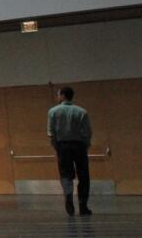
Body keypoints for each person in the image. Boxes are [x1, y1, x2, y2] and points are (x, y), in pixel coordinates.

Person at [47, 86, 93, 216]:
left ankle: (68, 196)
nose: (57, 96)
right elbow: (87, 132)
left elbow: (51, 132)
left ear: (62, 95)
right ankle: (83, 205)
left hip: (62, 146)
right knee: (83, 175)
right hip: (79, 145)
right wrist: (86, 144)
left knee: (66, 174)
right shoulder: (81, 112)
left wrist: (56, 146)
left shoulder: (53, 112)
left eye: (58, 94)